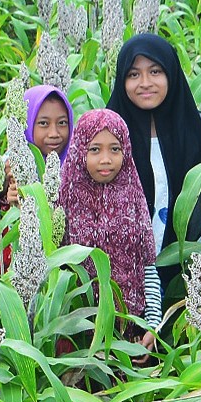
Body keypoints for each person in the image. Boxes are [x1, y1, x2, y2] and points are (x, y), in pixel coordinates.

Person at [105, 33, 201, 307]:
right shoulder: (108, 131)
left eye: (155, 71)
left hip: (187, 267)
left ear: (171, 73)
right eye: (134, 74)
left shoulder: (200, 130)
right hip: (123, 272)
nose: (145, 83)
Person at [60, 109, 160, 335]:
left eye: (115, 149)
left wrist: (152, 325)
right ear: (79, 152)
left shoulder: (133, 196)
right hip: (77, 336)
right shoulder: (64, 197)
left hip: (129, 331)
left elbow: (148, 266)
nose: (106, 159)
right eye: (95, 150)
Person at [2, 85, 74, 208]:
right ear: (26, 124)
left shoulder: (79, 166)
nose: (54, 134)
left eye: (62, 123)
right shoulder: (8, 166)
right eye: (43, 123)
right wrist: (9, 199)